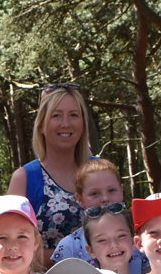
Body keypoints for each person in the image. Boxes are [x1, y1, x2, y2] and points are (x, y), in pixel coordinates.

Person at [6, 83, 96, 250]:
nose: (65, 123)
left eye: (74, 115)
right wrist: (73, 257)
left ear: (83, 123)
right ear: (41, 124)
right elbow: (11, 246)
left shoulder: (99, 170)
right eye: (56, 116)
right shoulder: (25, 178)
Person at [50, 158, 137, 266]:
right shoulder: (69, 247)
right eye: (95, 193)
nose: (105, 198)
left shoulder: (139, 239)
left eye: (111, 190)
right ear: (80, 199)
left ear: (122, 191)